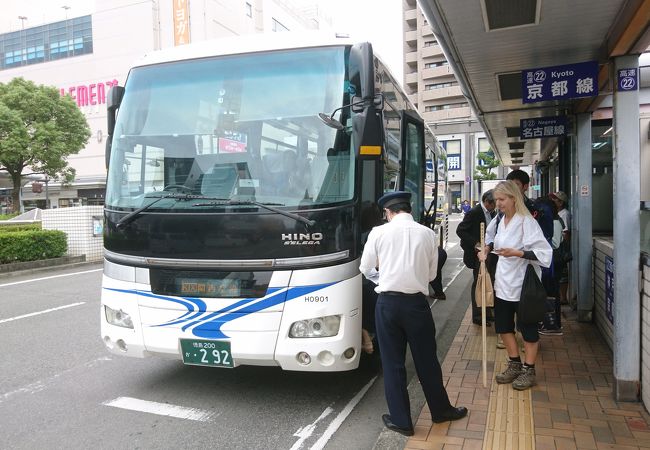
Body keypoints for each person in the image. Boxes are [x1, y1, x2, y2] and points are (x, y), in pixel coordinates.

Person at [360, 191, 467, 436]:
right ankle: (441, 411)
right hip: (417, 305)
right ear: (409, 209)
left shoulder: (378, 233)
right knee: (427, 360)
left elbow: (365, 268)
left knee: (393, 363)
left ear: (387, 212)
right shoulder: (428, 234)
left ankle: (402, 421)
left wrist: (383, 278)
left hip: (387, 304)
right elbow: (431, 275)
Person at [480, 181, 552, 391]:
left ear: (513, 198)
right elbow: (490, 240)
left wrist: (518, 253)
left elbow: (543, 253)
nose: (498, 203)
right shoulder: (499, 219)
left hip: (523, 284)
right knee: (503, 326)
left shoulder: (526, 221)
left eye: (502, 200)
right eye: (497, 200)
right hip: (503, 281)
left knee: (527, 327)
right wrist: (485, 250)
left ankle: (529, 369)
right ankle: (514, 363)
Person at [456, 189, 496, 325]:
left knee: (489, 282)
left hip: (490, 253)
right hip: (477, 254)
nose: (496, 206)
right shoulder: (474, 212)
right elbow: (460, 230)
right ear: (487, 202)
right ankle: (478, 315)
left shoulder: (492, 213)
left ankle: (488, 312)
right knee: (479, 283)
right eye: (495, 203)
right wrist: (476, 244)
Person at [550, 191, 571, 306]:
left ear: (561, 202)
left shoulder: (564, 214)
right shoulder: (555, 214)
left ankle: (563, 297)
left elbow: (566, 232)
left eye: (555, 199)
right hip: (557, 246)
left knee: (563, 274)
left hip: (560, 248)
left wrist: (565, 250)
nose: (553, 201)